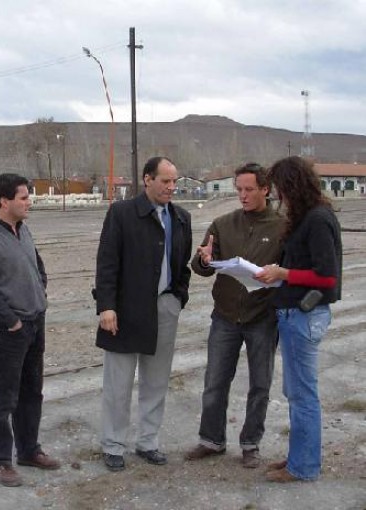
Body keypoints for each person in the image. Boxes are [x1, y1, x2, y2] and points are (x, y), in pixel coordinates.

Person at [94, 156, 192, 471]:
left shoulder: (181, 218)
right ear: (147, 179)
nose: (171, 187)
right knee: (118, 384)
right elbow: (107, 263)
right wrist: (107, 306)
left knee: (156, 381)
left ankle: (148, 442)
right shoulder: (121, 214)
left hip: (164, 309)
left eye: (174, 181)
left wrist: (177, 299)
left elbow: (182, 266)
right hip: (124, 311)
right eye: (165, 181)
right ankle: (113, 446)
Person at [185, 162, 285, 468]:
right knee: (214, 381)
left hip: (263, 318)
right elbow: (200, 265)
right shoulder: (222, 224)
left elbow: (291, 269)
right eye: (238, 189)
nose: (242, 195)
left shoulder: (282, 227)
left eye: (249, 190)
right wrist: (203, 260)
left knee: (260, 384)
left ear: (265, 190)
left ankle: (251, 444)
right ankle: (211, 440)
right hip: (225, 316)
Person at [0, 173, 60, 487]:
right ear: (3, 201)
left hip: (35, 323)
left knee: (31, 393)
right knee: (1, 400)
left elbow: (37, 267)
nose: (29, 202)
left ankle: (29, 451)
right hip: (7, 331)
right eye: (23, 197)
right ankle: (0, 461)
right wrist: (13, 321)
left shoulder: (23, 229)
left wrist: (39, 296)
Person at [255, 156, 342, 482]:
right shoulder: (310, 216)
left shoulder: (318, 220)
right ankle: (298, 457)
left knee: (303, 394)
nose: (278, 195)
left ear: (292, 185)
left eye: (280, 188)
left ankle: (303, 467)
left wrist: (284, 273)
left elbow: (327, 277)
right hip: (295, 314)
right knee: (296, 391)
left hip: (304, 316)